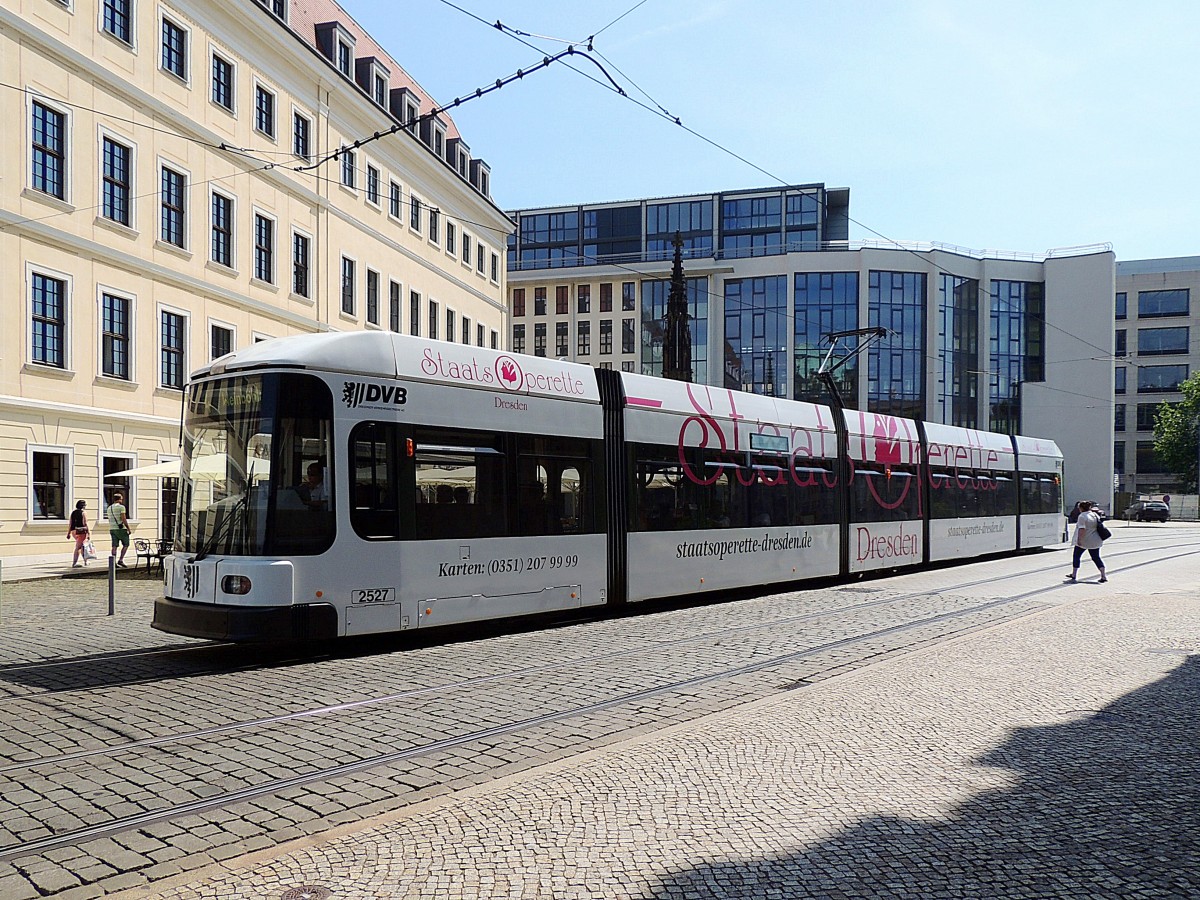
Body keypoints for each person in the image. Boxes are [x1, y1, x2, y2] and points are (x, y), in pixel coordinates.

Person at [1065, 500, 1106, 583]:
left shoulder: (1082, 516)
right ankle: (1103, 575)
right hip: (1095, 540)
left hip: (1085, 540)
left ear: (1081, 508)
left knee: (1076, 556)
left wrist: (1079, 540)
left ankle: (1074, 574)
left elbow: (1082, 529)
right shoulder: (1094, 515)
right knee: (1096, 557)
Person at [107, 492, 130, 568]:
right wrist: (128, 528)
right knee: (126, 544)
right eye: (121, 499)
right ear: (119, 499)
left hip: (112, 528)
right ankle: (121, 560)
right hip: (121, 529)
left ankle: (113, 562)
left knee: (114, 546)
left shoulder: (109, 508)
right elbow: (123, 518)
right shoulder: (121, 507)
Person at [67, 500, 90, 567]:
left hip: (74, 531)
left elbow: (70, 523)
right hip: (81, 531)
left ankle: (86, 561)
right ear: (83, 506)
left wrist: (68, 533)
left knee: (82, 546)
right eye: (85, 505)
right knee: (79, 547)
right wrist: (89, 533)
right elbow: (85, 523)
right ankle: (75, 562)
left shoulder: (73, 513)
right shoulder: (83, 513)